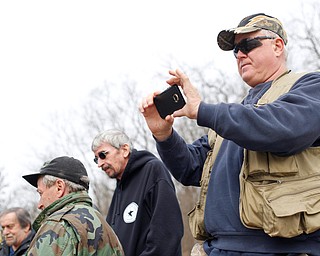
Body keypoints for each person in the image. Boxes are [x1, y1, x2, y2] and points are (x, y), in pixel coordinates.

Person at [139, 13, 320, 255]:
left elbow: (282, 129)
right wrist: (164, 135)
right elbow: (191, 167)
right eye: (236, 51)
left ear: (277, 46)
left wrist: (203, 110)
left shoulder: (310, 87)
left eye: (248, 45)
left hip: (279, 249)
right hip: (218, 248)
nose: (240, 55)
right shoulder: (234, 116)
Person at [91, 129, 184, 256]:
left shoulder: (152, 171)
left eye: (103, 155)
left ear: (124, 150)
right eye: (96, 159)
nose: (100, 164)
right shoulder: (119, 188)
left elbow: (167, 232)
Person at [22, 156, 124, 256]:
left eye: (41, 193)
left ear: (59, 187)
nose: (39, 205)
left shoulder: (59, 225)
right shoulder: (105, 226)